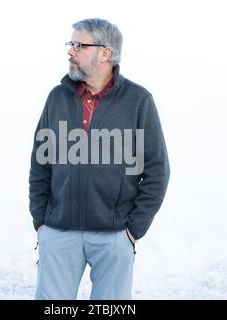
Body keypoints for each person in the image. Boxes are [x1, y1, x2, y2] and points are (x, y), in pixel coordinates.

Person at [29, 18, 170, 300]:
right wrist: (41, 222)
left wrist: (132, 230)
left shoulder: (138, 100)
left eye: (79, 45)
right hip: (58, 233)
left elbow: (156, 170)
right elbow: (40, 163)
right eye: (70, 44)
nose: (70, 51)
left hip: (114, 235)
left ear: (106, 52)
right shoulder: (57, 97)